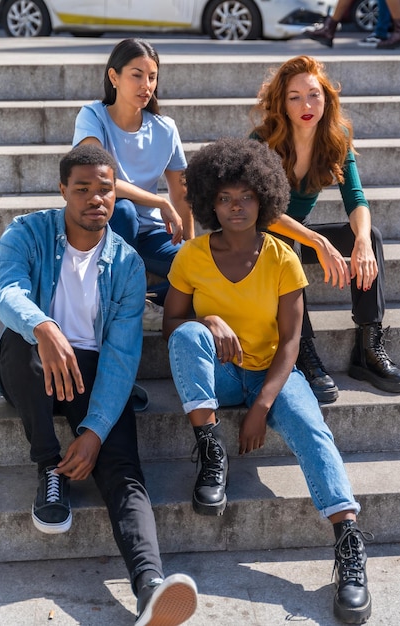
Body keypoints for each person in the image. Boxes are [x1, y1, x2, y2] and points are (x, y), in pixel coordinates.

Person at [0, 144, 197, 626]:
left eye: (104, 189)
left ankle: (150, 589)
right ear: (63, 191)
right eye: (82, 189)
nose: (95, 199)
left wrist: (96, 430)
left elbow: (122, 355)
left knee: (123, 468)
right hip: (33, 362)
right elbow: (7, 292)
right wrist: (44, 327)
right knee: (19, 346)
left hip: (95, 374)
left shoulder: (126, 263)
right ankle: (49, 470)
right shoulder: (27, 233)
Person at [162, 137, 372, 625]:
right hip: (219, 376)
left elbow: (292, 343)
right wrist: (208, 320)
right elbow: (172, 326)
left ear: (266, 198)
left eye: (247, 197)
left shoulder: (282, 257)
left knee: (312, 428)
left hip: (272, 373)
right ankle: (211, 453)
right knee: (189, 333)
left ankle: (348, 543)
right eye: (225, 198)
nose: (236, 207)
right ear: (210, 201)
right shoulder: (192, 255)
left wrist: (261, 408)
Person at [249, 54, 400, 403]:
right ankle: (303, 350)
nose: (306, 104)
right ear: (281, 104)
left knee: (371, 236)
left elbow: (356, 198)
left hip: (297, 234)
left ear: (327, 98)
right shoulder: (263, 140)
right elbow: (264, 213)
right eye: (295, 97)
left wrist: (360, 240)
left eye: (314, 94)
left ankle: (368, 345)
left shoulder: (336, 136)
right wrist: (318, 241)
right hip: (261, 239)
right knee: (290, 243)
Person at [72, 37, 194, 331]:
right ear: (114, 77)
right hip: (104, 229)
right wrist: (158, 201)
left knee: (200, 275)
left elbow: (181, 191)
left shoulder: (165, 129)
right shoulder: (93, 117)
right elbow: (100, 180)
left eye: (152, 77)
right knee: (123, 209)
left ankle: (137, 300)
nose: (146, 85)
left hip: (151, 234)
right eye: (136, 75)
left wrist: (192, 246)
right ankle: (125, 299)